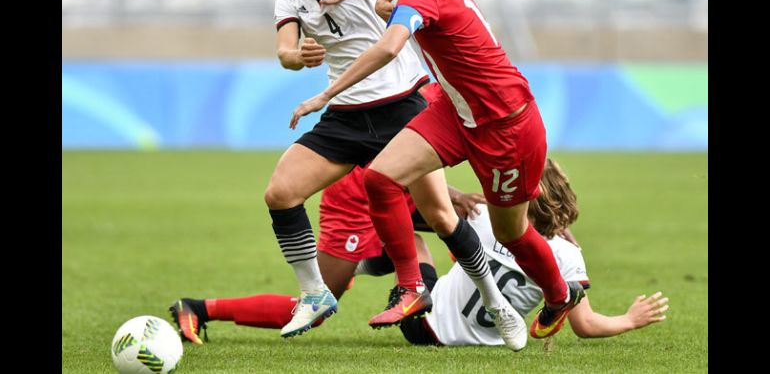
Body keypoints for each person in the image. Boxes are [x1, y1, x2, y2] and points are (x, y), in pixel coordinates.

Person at [289, 0, 584, 346]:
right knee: (380, 179)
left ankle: (560, 295)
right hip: (456, 108)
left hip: (505, 124)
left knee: (511, 232)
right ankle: (411, 288)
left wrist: (324, 95)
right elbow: (387, 5)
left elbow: (389, 46)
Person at [259, 0, 478, 342]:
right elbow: (284, 50)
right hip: (347, 115)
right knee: (280, 192)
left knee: (439, 212)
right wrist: (298, 57)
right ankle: (315, 292)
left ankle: (491, 294)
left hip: (401, 102)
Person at [169, 159, 667, 349]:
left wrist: (449, 192)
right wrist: (628, 318)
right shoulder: (570, 260)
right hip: (363, 197)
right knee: (322, 299)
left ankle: (391, 267)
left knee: (433, 234)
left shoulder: (488, 214)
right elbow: (585, 324)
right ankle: (390, 266)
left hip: (417, 293)